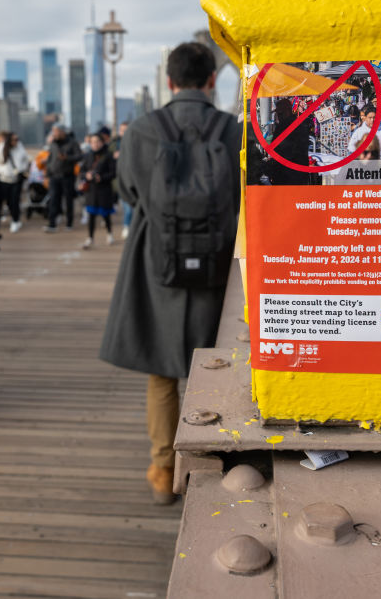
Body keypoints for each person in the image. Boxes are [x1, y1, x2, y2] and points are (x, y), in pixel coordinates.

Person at [100, 42, 241, 505]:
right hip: (219, 262)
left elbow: (127, 189)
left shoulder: (142, 129)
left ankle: (163, 468)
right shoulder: (232, 130)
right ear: (212, 80)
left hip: (156, 259)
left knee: (162, 373)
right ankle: (212, 457)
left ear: (169, 81)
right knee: (216, 367)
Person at [79, 131, 116, 249]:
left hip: (104, 189)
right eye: (92, 142)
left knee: (105, 214)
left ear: (102, 142)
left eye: (97, 142)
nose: (95, 144)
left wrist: (102, 177)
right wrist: (86, 176)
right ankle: (90, 238)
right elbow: (81, 171)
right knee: (91, 215)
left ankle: (109, 233)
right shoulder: (87, 155)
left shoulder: (108, 155)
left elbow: (114, 173)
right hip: (91, 190)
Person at [44, 125, 81, 232]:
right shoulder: (53, 143)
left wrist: (67, 158)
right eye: (53, 132)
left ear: (62, 132)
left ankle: (69, 224)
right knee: (53, 199)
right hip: (54, 176)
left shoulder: (72, 143)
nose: (54, 134)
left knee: (69, 200)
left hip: (67, 176)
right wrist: (47, 173)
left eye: (55, 132)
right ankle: (52, 224)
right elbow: (50, 158)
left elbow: (79, 156)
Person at [0, 131, 29, 233]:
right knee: (5, 201)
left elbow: (26, 160)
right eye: (14, 140)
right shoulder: (1, 148)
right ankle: (4, 218)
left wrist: (21, 169)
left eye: (17, 139)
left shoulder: (20, 148)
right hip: (3, 179)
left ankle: (15, 221)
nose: (16, 141)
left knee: (14, 201)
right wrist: (1, 172)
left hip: (16, 179)